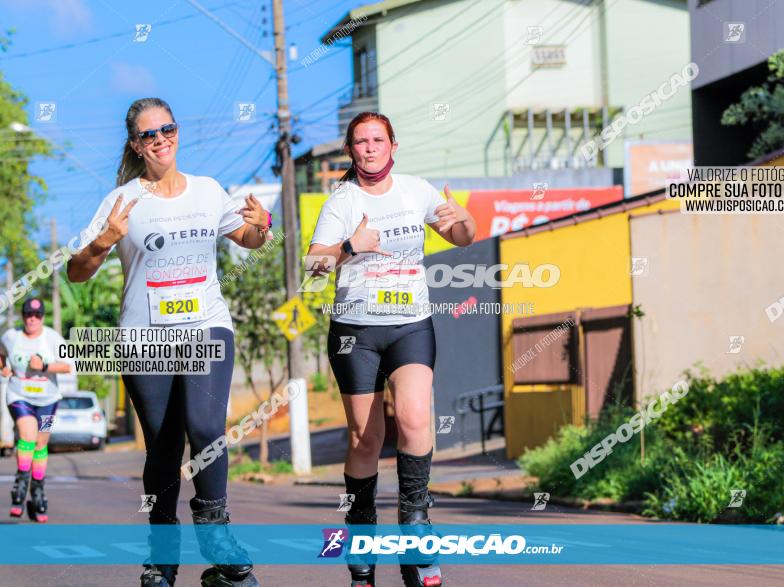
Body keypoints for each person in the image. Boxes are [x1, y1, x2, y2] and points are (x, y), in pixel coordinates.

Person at [68, 97, 271, 587]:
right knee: (161, 447)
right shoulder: (121, 201)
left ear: (177, 133)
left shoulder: (207, 191)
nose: (160, 140)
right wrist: (103, 241)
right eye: (148, 135)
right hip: (144, 336)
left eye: (167, 130)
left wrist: (262, 226)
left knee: (205, 425)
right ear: (135, 145)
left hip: (207, 324)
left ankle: (216, 534)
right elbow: (76, 272)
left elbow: (248, 238)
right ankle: (162, 555)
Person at [307, 112, 476, 587]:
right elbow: (315, 265)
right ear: (350, 151)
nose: (369, 148)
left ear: (393, 146)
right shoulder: (341, 201)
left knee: (416, 417)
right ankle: (361, 536)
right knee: (365, 438)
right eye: (360, 141)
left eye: (377, 139)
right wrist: (349, 246)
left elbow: (461, 236)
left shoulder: (416, 190)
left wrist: (465, 219)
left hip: (409, 325)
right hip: (355, 332)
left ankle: (415, 525)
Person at [0, 297, 73, 523]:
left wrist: (44, 366)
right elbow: (1, 353)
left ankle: (38, 489)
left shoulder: (52, 337)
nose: (33, 319)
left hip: (49, 400)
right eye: (28, 315)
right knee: (28, 436)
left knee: (41, 444)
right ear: (23, 316)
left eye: (37, 315)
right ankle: (20, 486)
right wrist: (3, 367)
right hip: (19, 396)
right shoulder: (11, 336)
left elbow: (68, 365)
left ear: (42, 317)